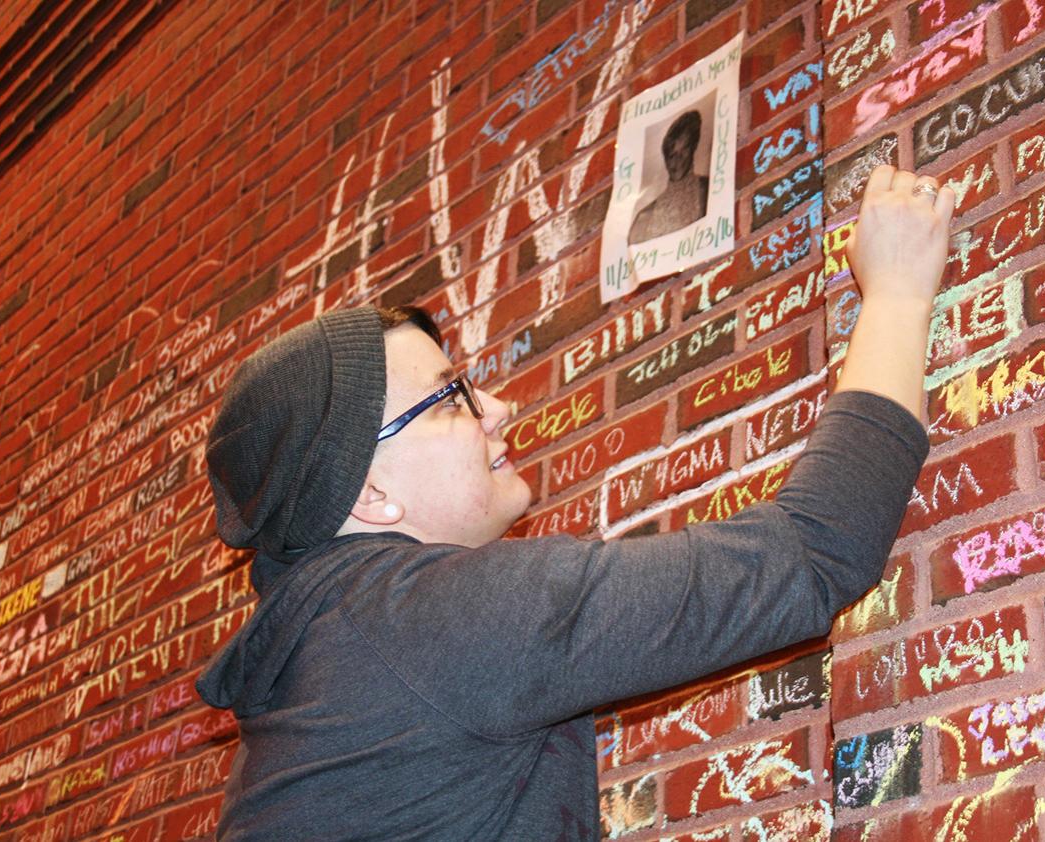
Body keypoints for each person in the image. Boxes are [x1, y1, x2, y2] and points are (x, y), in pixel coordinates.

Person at [196, 166, 954, 840]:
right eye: (449, 399)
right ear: (369, 492)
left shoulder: (330, 664)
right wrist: (896, 294)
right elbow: (813, 553)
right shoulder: (426, 619)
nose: (495, 406)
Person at [628, 109, 711, 243]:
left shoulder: (709, 190)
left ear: (693, 148)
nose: (676, 162)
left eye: (682, 152)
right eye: (671, 155)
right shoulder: (644, 218)